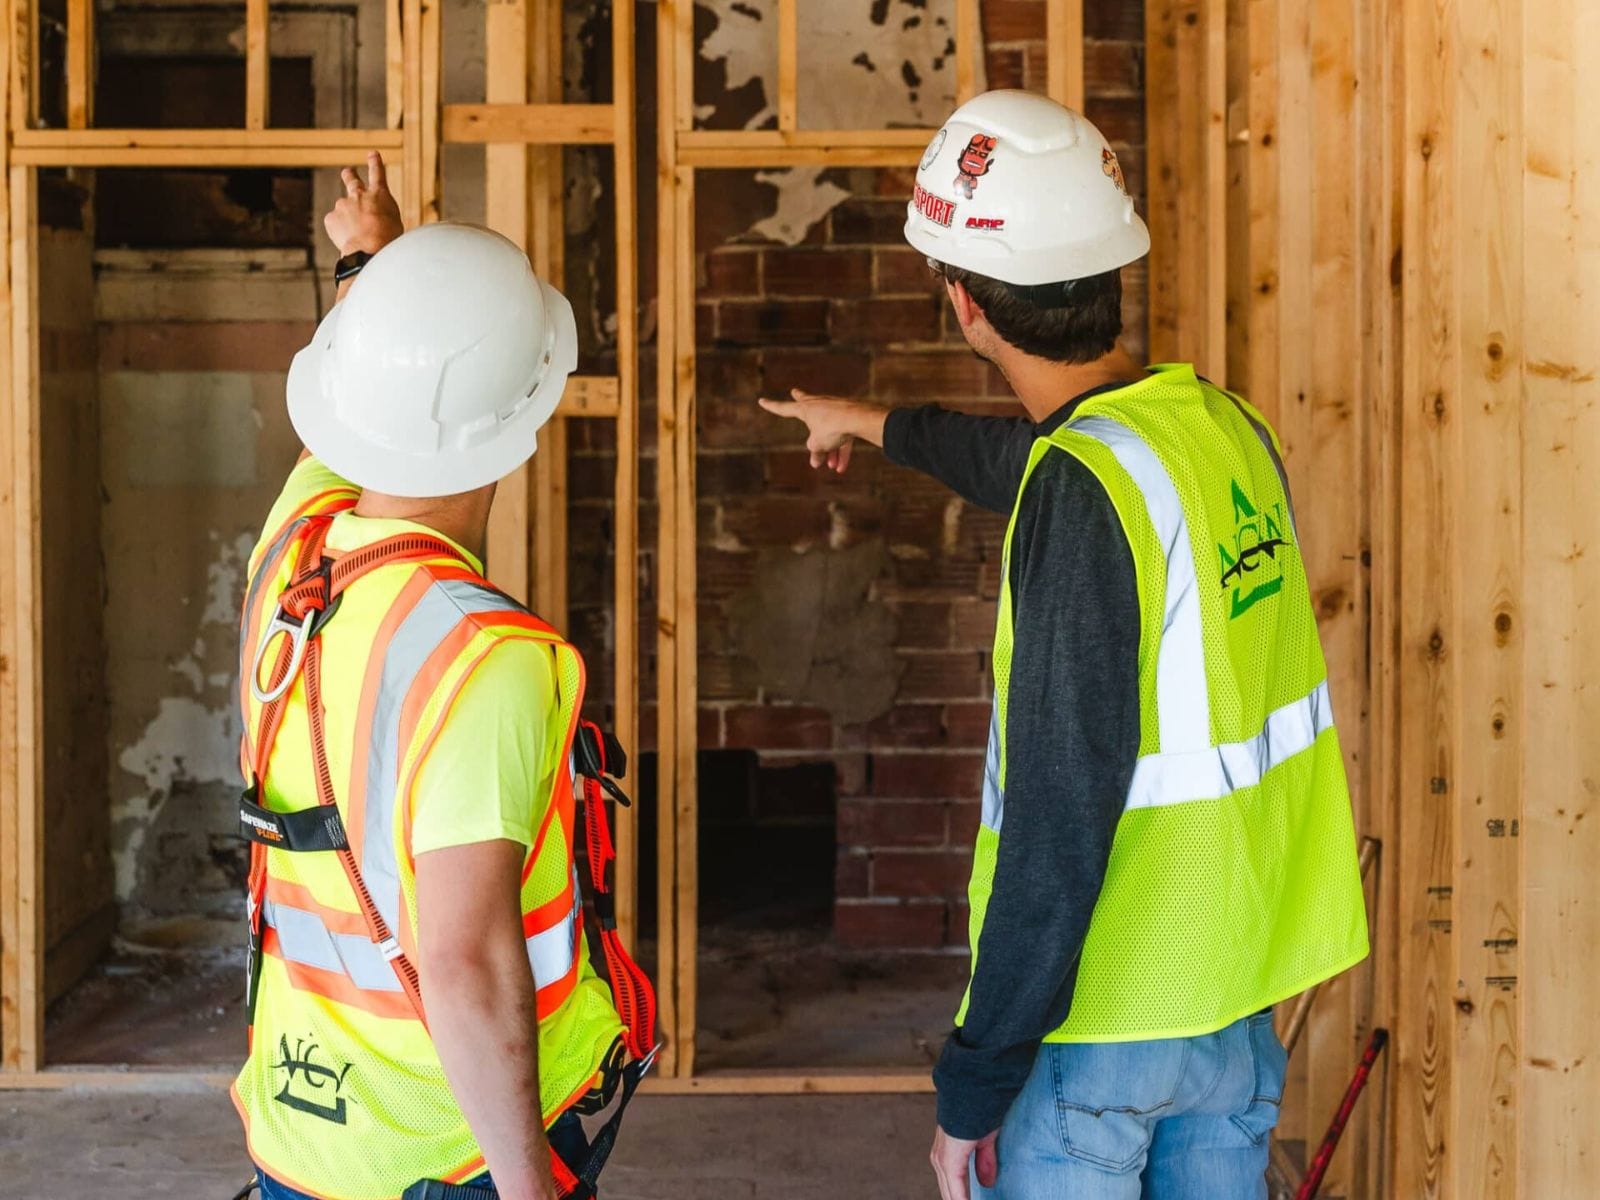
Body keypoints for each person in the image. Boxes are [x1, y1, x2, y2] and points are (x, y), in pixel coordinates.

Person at [761, 91, 1369, 1200]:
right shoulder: (1219, 429)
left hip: (1114, 1019)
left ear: (962, 302)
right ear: (1107, 268)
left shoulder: (1086, 492)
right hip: (1237, 1009)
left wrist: (973, 1083)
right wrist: (868, 423)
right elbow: (1039, 461)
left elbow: (1056, 817)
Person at [231, 152, 655, 1200]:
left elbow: (378, 412)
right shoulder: (489, 659)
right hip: (443, 1151)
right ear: (527, 419)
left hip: (303, 1131)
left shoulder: (293, 547)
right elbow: (464, 965)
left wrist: (373, 265)